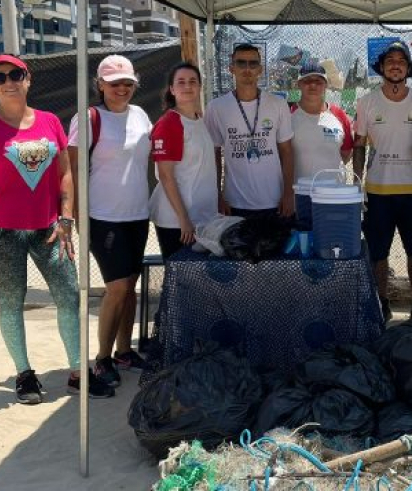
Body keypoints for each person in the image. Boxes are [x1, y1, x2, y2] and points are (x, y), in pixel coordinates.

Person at [0, 54, 113, 404]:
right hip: (2, 230)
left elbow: (64, 172)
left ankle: (79, 372)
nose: (8, 81)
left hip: (49, 227)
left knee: (69, 296)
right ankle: (25, 375)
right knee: (12, 301)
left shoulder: (49, 123)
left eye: (15, 74)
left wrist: (66, 217)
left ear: (28, 78)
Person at [68, 55, 152, 388]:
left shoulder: (141, 115)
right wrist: (75, 216)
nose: (121, 89)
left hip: (137, 214)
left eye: (127, 83)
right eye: (114, 83)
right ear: (100, 85)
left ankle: (123, 351)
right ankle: (101, 358)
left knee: (130, 288)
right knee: (116, 288)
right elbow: (72, 169)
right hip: (103, 218)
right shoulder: (88, 119)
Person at [354, 40, 412, 321]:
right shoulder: (367, 101)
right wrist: (357, 181)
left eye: (401, 60)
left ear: (408, 67)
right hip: (377, 191)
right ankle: (381, 303)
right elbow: (359, 144)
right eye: (390, 60)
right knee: (378, 252)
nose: (395, 65)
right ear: (382, 67)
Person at [204, 43, 295, 218]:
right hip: (234, 203)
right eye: (241, 63)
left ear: (260, 69)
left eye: (253, 64)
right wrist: (217, 195)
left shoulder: (278, 104)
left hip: (274, 201)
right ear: (231, 68)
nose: (247, 69)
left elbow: (287, 151)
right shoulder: (216, 108)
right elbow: (213, 155)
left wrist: (288, 194)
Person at [149, 62, 219, 261]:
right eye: (181, 82)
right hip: (177, 223)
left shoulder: (199, 119)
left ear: (199, 87)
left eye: (192, 81)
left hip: (201, 218)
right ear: (172, 89)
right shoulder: (170, 122)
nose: (187, 86)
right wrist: (183, 219)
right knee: (181, 284)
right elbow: (165, 175)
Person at [290, 62, 353, 182]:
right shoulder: (288, 115)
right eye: (307, 81)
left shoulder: (338, 114)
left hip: (334, 190)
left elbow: (346, 152)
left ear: (326, 85)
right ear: (299, 84)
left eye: (318, 81)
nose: (313, 85)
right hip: (300, 191)